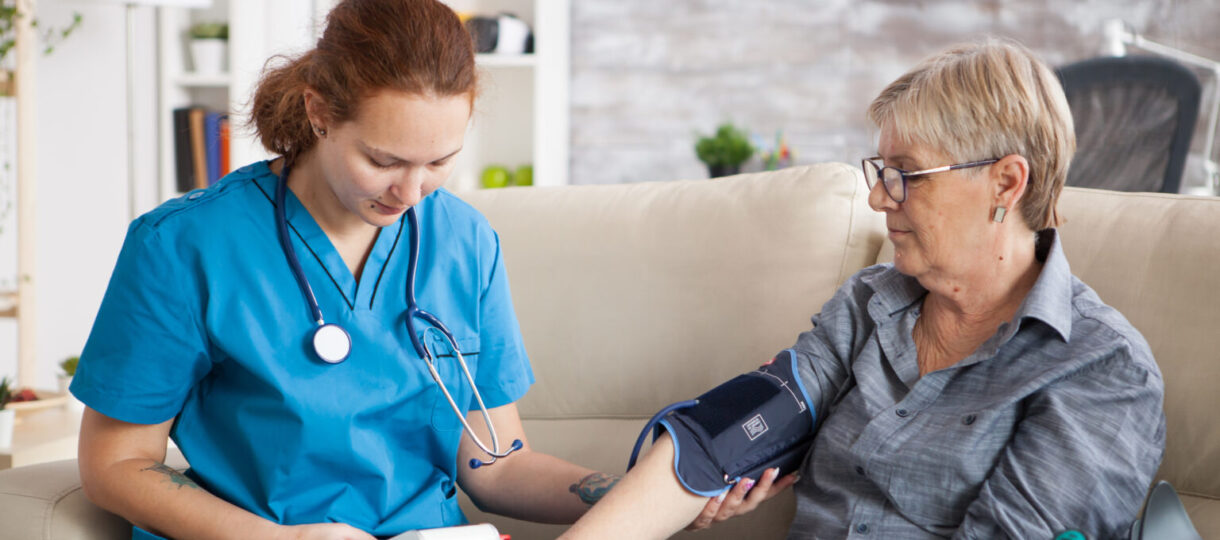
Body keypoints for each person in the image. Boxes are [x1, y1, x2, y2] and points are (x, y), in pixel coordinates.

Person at [71, 1, 754, 538]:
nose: (410, 192)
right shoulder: (183, 245)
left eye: (438, 162)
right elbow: (116, 467)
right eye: (384, 160)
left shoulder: (465, 243)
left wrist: (642, 497)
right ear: (318, 112)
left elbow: (496, 464)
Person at [562, 40, 1166, 539]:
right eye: (881, 172)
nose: (878, 197)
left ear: (1005, 183)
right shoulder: (870, 304)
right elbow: (727, 432)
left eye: (906, 175)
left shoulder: (1101, 369)